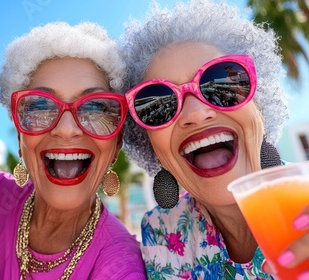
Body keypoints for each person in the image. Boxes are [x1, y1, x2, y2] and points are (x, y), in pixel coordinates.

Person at [121, 0, 309, 279]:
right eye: (158, 103)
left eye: (220, 84)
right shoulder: (160, 231)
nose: (196, 114)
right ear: (150, 144)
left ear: (259, 108)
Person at [0, 22, 146, 279]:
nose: (66, 129)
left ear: (116, 142)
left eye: (95, 108)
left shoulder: (119, 264)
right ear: (20, 137)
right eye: (40, 106)